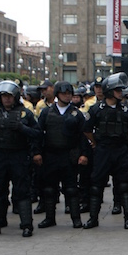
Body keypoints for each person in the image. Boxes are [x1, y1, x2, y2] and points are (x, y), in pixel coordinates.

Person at [0, 81, 41, 238]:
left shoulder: (25, 113)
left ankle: (27, 225)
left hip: (18, 156)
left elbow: (38, 134)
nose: (6, 99)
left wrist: (22, 129)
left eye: (9, 96)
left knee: (22, 191)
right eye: (3, 96)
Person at [82, 73, 128, 230]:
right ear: (109, 91)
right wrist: (96, 142)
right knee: (96, 185)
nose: (121, 92)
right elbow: (87, 129)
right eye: (117, 90)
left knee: (125, 185)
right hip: (103, 150)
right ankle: (93, 218)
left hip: (120, 150)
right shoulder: (96, 109)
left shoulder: (126, 109)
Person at [33, 81, 88, 230]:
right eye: (64, 93)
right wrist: (37, 152)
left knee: (71, 189)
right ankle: (50, 218)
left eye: (69, 93)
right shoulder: (46, 112)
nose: (67, 96)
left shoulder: (76, 114)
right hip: (50, 155)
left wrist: (84, 154)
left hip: (69, 156)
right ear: (57, 94)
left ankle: (76, 219)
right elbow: (38, 134)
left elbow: (83, 136)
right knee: (50, 189)